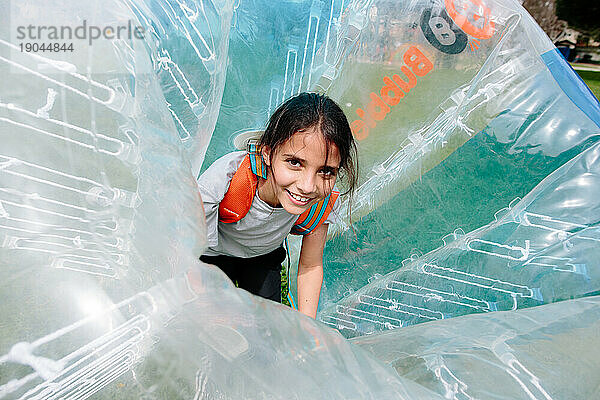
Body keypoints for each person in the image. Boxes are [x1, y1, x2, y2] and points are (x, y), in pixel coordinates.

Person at [198, 92, 358, 318]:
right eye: (294, 162)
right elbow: (187, 251)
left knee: (265, 329)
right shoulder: (224, 180)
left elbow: (310, 266)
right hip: (209, 254)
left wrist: (307, 328)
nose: (307, 186)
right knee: (205, 320)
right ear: (267, 152)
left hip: (262, 256)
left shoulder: (322, 202)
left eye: (325, 171)